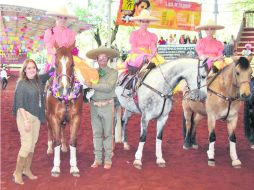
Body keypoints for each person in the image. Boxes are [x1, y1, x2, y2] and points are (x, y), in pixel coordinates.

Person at [12, 59, 54, 185]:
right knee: (26, 144)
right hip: (25, 116)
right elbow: (19, 104)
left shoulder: (39, 80)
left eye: (33, 68)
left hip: (36, 117)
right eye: (29, 68)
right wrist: (25, 120)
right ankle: (17, 173)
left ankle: (27, 169)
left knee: (32, 144)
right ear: (24, 70)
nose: (31, 70)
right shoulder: (22, 83)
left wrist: (55, 58)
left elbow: (51, 73)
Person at [43, 6, 99, 89]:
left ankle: (83, 87)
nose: (62, 20)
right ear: (56, 18)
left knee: (81, 67)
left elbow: (72, 47)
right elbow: (49, 48)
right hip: (54, 55)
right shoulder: (49, 32)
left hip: (68, 55)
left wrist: (72, 52)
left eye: (65, 18)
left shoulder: (70, 33)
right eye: (60, 17)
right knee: (51, 71)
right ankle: (45, 89)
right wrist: (57, 54)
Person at [85, 46, 119, 170]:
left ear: (108, 58)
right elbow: (87, 85)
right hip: (94, 106)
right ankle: (98, 159)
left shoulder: (113, 72)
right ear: (97, 60)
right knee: (96, 134)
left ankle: (108, 159)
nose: (102, 60)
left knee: (108, 134)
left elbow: (109, 87)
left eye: (105, 58)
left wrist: (93, 85)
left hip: (107, 105)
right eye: (100, 58)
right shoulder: (92, 73)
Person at [123, 9, 165, 75]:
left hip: (148, 54)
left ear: (148, 23)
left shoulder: (151, 35)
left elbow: (152, 47)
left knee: (161, 61)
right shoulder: (134, 34)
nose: (145, 23)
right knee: (145, 58)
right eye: (143, 21)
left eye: (147, 21)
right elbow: (133, 48)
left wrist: (154, 52)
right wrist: (144, 53)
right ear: (140, 22)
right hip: (136, 55)